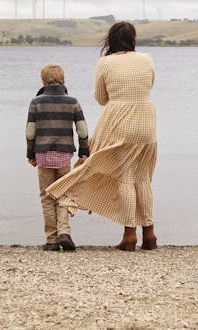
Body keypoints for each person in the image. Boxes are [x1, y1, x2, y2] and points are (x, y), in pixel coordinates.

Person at [46, 21, 158, 251]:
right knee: (143, 177)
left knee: (125, 177)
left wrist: (118, 102)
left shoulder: (105, 62)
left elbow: (100, 97)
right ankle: (150, 233)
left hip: (120, 118)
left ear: (112, 40)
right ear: (133, 39)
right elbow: (150, 85)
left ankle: (129, 234)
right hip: (147, 120)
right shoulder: (147, 59)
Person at [26, 63, 89, 251]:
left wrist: (30, 153)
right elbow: (83, 130)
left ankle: (52, 240)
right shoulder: (73, 102)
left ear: (43, 81)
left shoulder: (36, 103)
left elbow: (30, 132)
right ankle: (65, 232)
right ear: (64, 81)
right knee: (63, 194)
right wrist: (84, 152)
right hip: (64, 156)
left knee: (47, 197)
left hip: (43, 155)